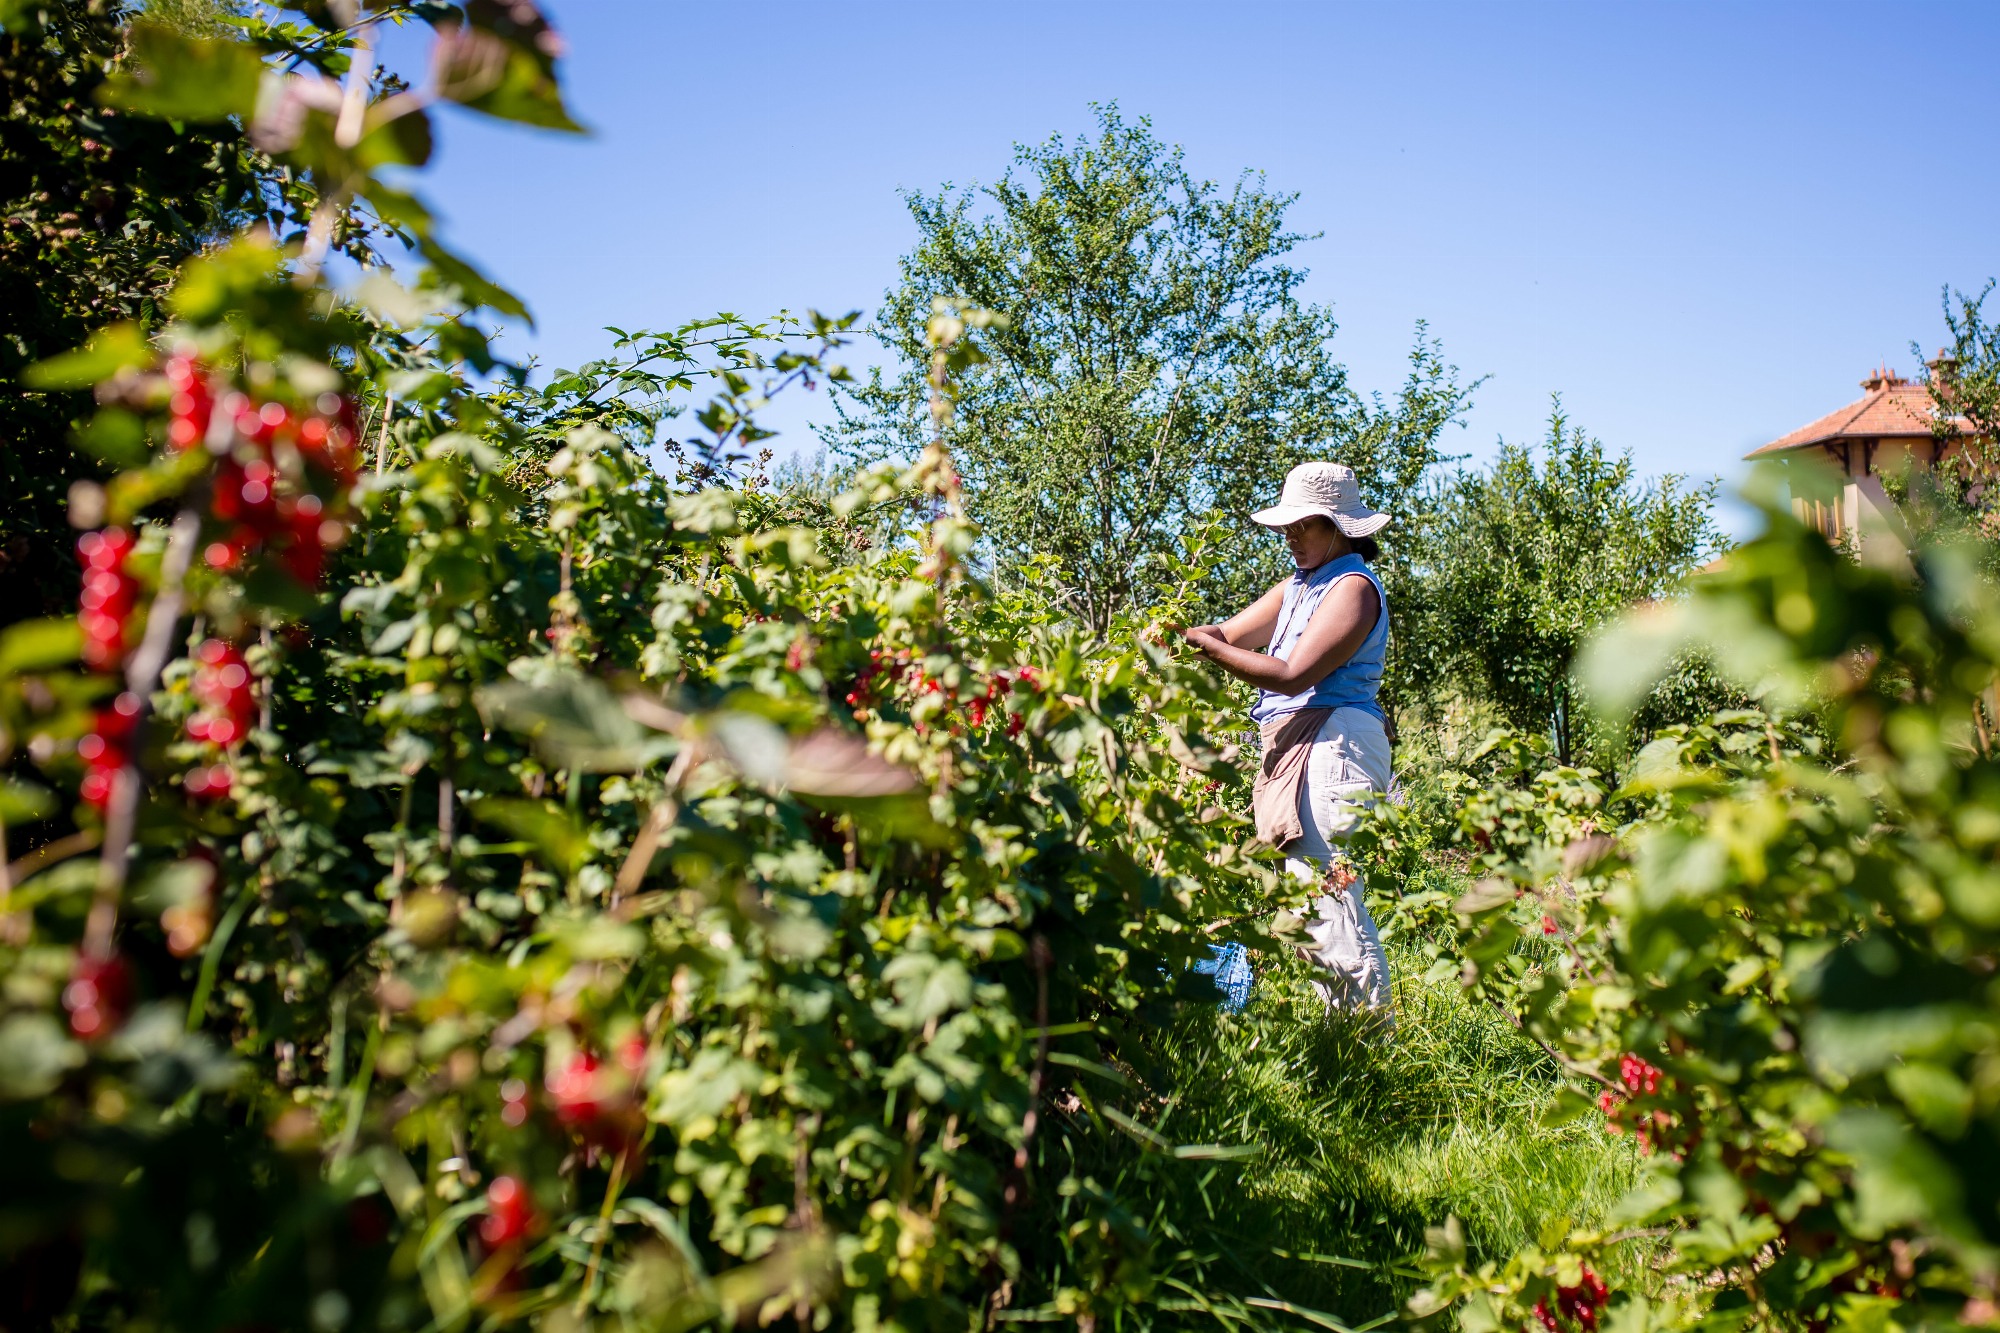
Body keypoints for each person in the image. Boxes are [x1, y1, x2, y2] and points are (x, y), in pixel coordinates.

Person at [1179, 460, 1394, 1019]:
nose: (1291, 536)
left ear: (1341, 526)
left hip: (1333, 739)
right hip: (1299, 738)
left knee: (1329, 891)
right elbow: (1229, 633)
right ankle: (1344, 1035)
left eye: (1306, 524)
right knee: (1309, 896)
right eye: (1288, 526)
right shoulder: (1298, 587)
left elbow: (1292, 672)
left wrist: (1210, 648)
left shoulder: (1351, 588)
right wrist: (1196, 636)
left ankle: (1366, 1040)